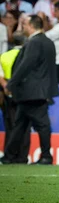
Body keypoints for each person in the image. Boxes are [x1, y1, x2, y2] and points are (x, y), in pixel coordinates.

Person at [4, 15, 59, 165]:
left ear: (31, 26)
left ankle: (46, 155)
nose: (23, 28)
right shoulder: (48, 42)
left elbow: (25, 65)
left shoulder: (34, 42)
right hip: (40, 90)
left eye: (25, 25)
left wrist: (11, 84)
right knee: (20, 125)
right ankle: (9, 156)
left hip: (32, 91)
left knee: (40, 125)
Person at [0, 32, 27, 164]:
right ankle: (22, 156)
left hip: (8, 92)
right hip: (24, 92)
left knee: (10, 125)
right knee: (25, 125)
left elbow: (0, 74)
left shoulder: (4, 55)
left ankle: (9, 155)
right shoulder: (26, 55)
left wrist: (7, 87)